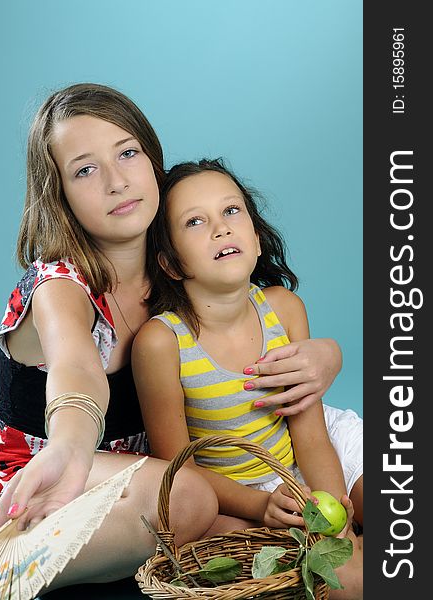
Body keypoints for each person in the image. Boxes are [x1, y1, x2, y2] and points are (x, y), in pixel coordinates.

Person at [0, 83, 343, 591]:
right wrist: (68, 447)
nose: (116, 181)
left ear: (154, 162)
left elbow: (250, 316)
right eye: (85, 170)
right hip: (47, 475)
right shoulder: (60, 285)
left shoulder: (173, 252)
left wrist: (327, 355)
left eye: (127, 153)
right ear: (57, 196)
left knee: (264, 541)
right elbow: (76, 369)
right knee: (190, 500)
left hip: (146, 469)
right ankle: (18, 567)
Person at [131, 158, 363, 598]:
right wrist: (262, 505)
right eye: (195, 222)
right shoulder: (161, 343)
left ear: (256, 240)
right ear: (171, 263)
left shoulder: (283, 308)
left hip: (315, 451)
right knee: (333, 582)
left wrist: (334, 520)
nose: (220, 228)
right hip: (234, 490)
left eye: (231, 211)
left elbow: (311, 436)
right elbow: (179, 468)